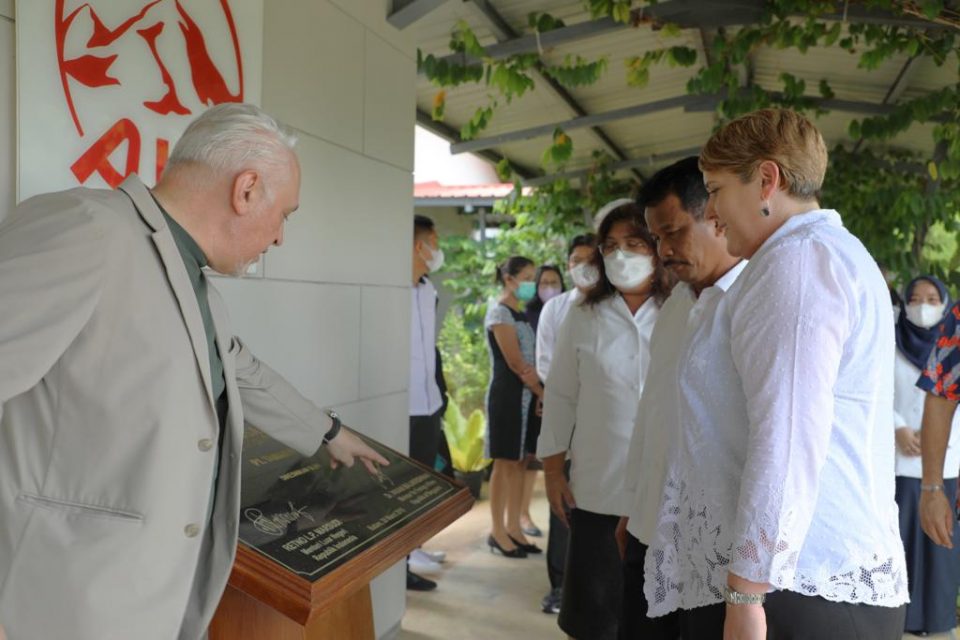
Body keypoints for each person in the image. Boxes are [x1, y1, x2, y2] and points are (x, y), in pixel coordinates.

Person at [0, 104, 388, 639]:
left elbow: (240, 369)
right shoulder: (87, 228)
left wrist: (329, 432)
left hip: (155, 597)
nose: (279, 239)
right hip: (67, 599)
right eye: (285, 215)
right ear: (246, 190)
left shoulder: (192, 275)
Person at [645, 108, 908, 640]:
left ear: (767, 180)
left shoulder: (798, 262)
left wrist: (745, 591)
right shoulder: (814, 254)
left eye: (716, 190)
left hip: (792, 587)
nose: (712, 213)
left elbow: (786, 438)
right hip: (794, 582)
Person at [616, 156, 744, 640]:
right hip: (650, 528)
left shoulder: (751, 305)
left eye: (674, 233)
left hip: (715, 547)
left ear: (716, 215)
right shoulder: (675, 307)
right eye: (657, 239)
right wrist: (634, 504)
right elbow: (652, 414)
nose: (664, 251)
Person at [538, 202, 672, 640]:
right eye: (611, 246)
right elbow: (559, 396)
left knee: (655, 618)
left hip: (664, 491)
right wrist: (554, 469)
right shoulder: (582, 313)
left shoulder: (684, 307)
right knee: (595, 619)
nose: (621, 255)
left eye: (634, 244)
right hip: (597, 487)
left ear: (657, 248)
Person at [893, 276, 960, 636]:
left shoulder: (953, 333)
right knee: (904, 544)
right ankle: (903, 621)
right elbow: (876, 390)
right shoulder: (890, 342)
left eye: (932, 298)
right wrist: (897, 426)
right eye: (916, 298)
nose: (923, 305)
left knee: (941, 557)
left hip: (949, 460)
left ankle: (937, 620)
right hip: (903, 463)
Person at [535, 234, 597, 615]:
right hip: (565, 418)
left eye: (591, 259)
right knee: (562, 500)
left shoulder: (612, 306)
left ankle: (587, 581)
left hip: (601, 426)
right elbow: (545, 364)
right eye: (576, 259)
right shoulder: (557, 309)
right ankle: (558, 584)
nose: (583, 266)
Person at [485, 256, 543, 558]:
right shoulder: (500, 313)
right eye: (527, 277)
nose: (531, 283)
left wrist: (537, 393)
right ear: (509, 280)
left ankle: (514, 528)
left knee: (521, 462)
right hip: (508, 397)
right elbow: (515, 361)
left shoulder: (519, 312)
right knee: (504, 463)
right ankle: (497, 532)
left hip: (527, 397)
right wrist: (539, 390)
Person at [406, 214, 449, 591]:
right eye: (433, 241)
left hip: (428, 403)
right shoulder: (389, 288)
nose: (437, 250)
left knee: (420, 482)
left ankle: (412, 550)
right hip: (402, 407)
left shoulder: (427, 289)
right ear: (418, 245)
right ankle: (400, 564)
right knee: (398, 487)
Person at [518, 265, 566, 542]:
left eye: (554, 281)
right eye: (544, 282)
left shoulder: (572, 309)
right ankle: (521, 515)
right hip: (535, 393)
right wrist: (540, 392)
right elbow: (529, 361)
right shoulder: (528, 314)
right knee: (528, 457)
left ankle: (526, 515)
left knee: (542, 459)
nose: (549, 286)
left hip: (557, 394)